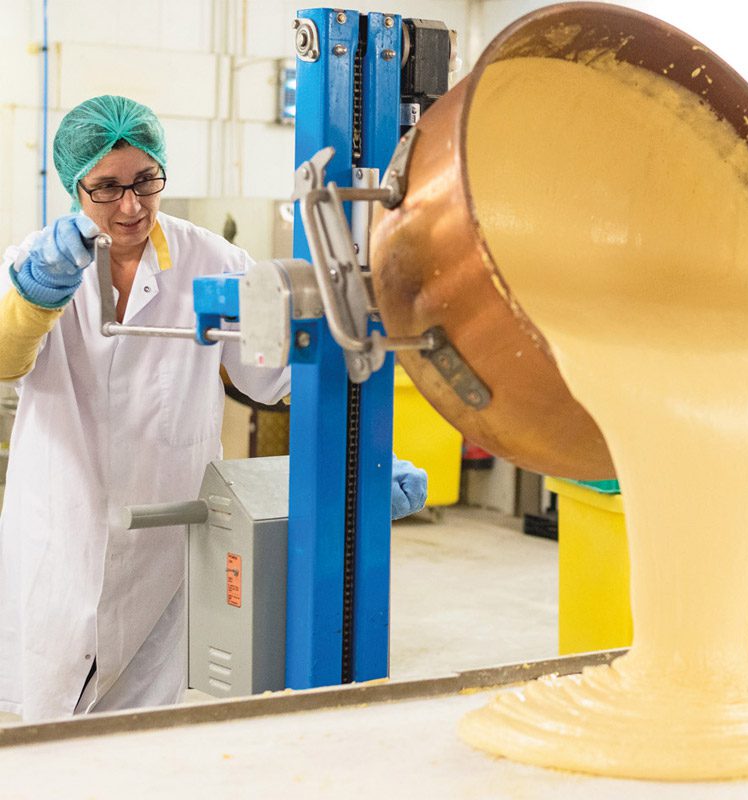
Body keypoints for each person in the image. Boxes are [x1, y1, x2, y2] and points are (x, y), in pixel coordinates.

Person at [0, 96, 428, 722]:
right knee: (46, 740)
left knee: (145, 733)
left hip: (164, 550)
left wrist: (358, 454)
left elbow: (277, 377)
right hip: (58, 540)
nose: (130, 206)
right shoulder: (38, 260)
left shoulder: (215, 263)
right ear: (75, 186)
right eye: (107, 188)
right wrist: (36, 296)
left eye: (146, 181)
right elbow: (6, 362)